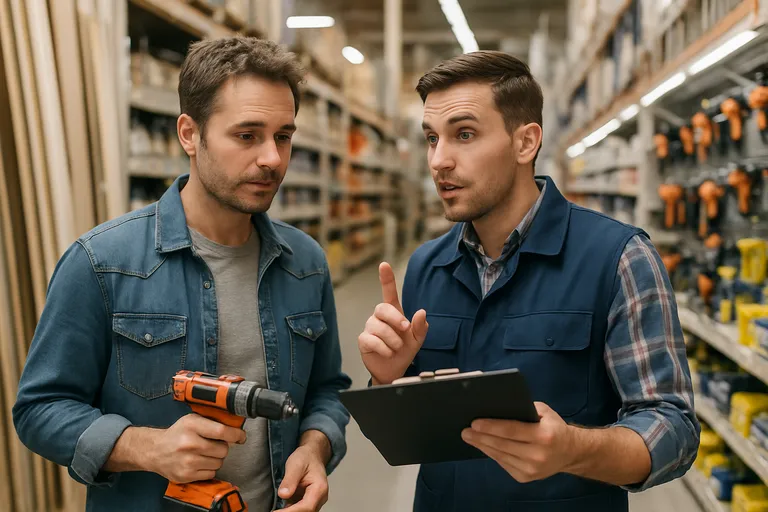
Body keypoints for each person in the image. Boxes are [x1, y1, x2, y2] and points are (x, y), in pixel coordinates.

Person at [14, 36, 351, 512]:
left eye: (283, 136)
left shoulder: (306, 262)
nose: (273, 159)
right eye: (247, 135)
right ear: (189, 134)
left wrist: (315, 449)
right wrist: (145, 446)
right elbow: (39, 410)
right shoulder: (101, 262)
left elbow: (327, 390)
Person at [357, 51, 700, 511]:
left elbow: (673, 428)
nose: (439, 160)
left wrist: (572, 450)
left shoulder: (618, 258)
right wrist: (386, 381)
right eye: (431, 139)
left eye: (464, 134)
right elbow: (412, 431)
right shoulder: (426, 267)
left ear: (525, 143)